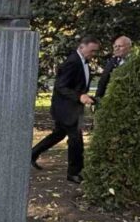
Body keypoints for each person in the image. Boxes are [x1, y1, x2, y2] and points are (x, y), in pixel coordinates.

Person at [31, 36, 100, 184]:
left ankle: (32, 154)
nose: (93, 54)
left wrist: (86, 96)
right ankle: (74, 173)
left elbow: (77, 85)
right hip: (66, 109)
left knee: (58, 134)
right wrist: (79, 97)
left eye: (95, 51)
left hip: (72, 107)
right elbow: (60, 87)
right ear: (82, 46)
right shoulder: (72, 62)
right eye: (92, 50)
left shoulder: (82, 61)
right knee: (76, 140)